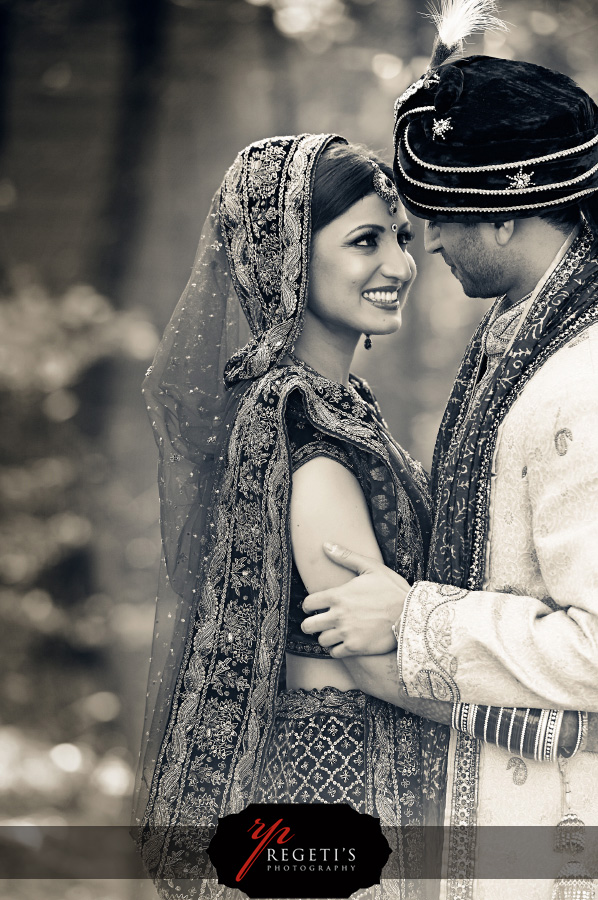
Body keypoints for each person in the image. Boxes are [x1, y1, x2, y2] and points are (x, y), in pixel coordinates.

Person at [299, 14, 598, 900]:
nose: (423, 243)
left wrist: (417, 619)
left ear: (503, 213)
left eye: (433, 217)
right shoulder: (521, 340)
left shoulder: (581, 382)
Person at [135, 132, 445, 897]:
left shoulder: (331, 408)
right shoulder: (308, 439)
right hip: (334, 797)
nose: (400, 266)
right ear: (287, 258)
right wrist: (536, 718)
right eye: (365, 241)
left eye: (401, 239)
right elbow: (375, 663)